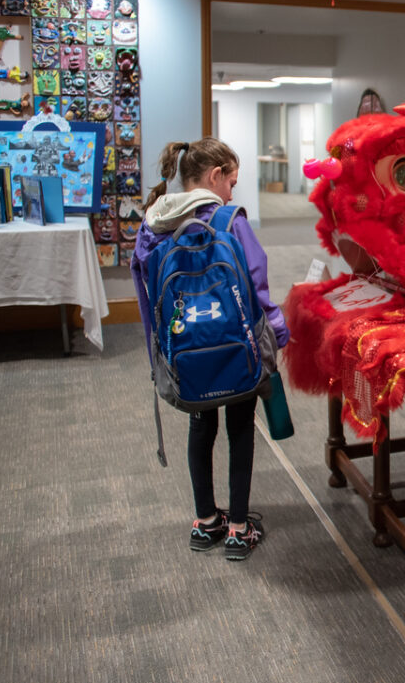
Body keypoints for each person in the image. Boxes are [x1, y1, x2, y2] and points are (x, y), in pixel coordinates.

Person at [130, 138, 290, 561]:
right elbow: (257, 285)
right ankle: (238, 529)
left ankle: (205, 522)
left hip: (186, 356)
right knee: (240, 428)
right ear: (214, 175)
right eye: (231, 182)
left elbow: (148, 299)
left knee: (201, 427)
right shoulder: (227, 219)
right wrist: (277, 331)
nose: (233, 194)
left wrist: (159, 359)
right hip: (236, 350)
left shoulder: (153, 224)